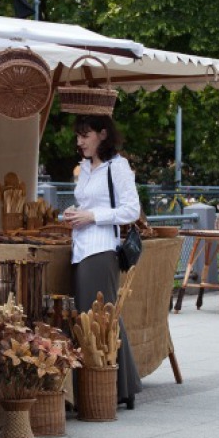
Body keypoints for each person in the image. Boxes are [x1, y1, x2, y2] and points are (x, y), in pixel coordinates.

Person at [63, 114, 143, 410]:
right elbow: (88, 205)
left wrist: (92, 216)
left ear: (103, 134)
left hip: (101, 249)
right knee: (95, 317)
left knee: (100, 318)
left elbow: (131, 210)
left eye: (85, 135)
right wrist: (76, 214)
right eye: (78, 136)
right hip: (81, 246)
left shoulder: (117, 166)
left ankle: (119, 386)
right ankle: (118, 385)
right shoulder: (85, 168)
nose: (79, 141)